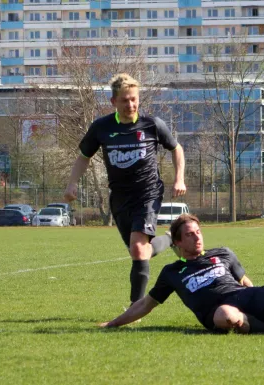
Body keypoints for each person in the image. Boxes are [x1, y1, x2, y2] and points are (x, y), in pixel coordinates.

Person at [99, 214, 264, 335]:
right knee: (226, 316)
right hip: (217, 310)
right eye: (189, 234)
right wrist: (113, 323)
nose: (197, 236)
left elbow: (245, 282)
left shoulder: (222, 253)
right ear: (177, 243)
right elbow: (147, 304)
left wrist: (262, 301)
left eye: (198, 231)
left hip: (245, 296)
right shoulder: (172, 272)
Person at [64, 73, 186, 305]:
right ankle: (170, 240)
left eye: (134, 99)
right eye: (125, 100)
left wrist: (179, 179)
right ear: (113, 102)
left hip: (148, 193)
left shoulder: (152, 125)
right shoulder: (102, 127)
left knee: (139, 250)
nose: (130, 104)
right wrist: (72, 183)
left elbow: (176, 149)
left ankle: (135, 309)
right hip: (119, 197)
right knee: (141, 251)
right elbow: (83, 157)